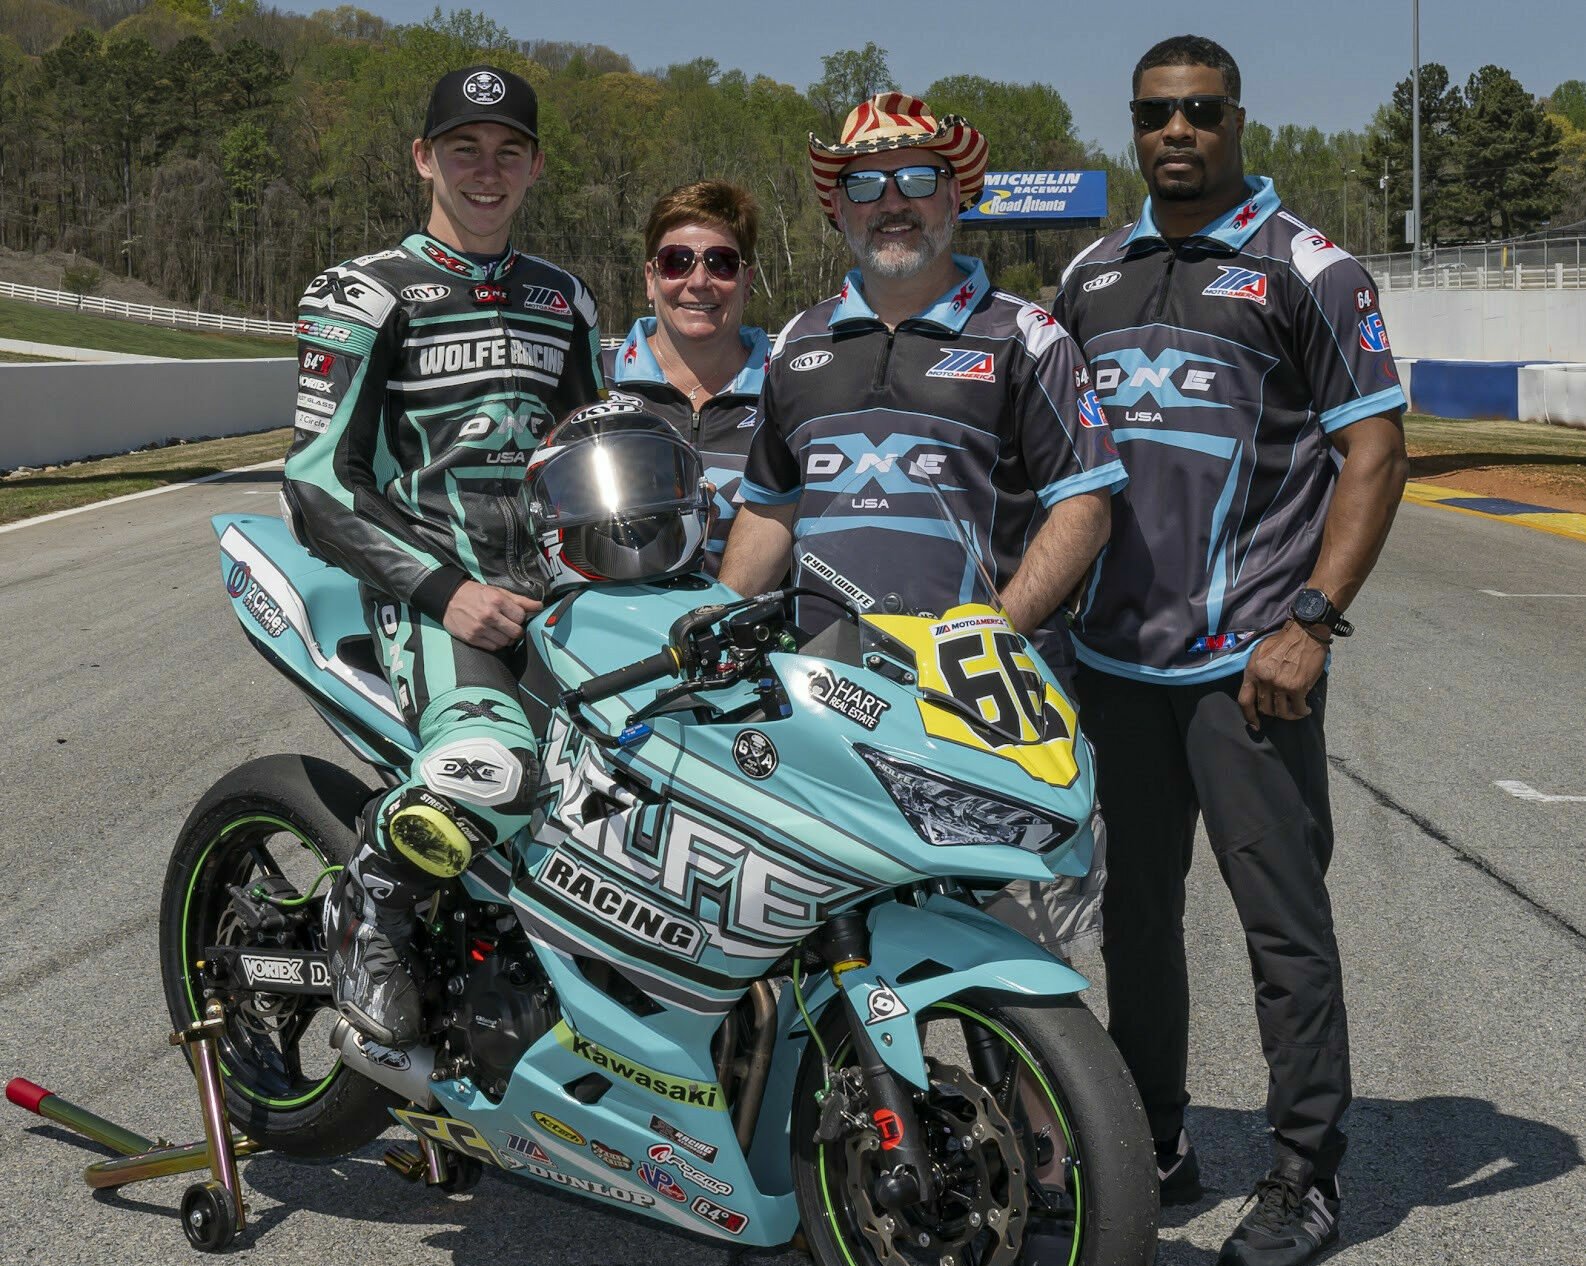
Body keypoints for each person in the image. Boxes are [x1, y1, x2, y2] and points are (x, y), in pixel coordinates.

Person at [1052, 35, 1409, 1266]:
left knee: (1280, 930)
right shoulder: (1089, 274)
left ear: (1236, 120)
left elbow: (1375, 450)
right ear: (1134, 126)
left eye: (1199, 110)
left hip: (1249, 664)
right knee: (1137, 923)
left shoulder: (1308, 267)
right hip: (1113, 668)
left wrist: (1308, 620)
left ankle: (1304, 1174)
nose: (1176, 131)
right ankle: (1150, 1141)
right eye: (1155, 113)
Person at [717, 93, 1126, 946]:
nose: (891, 202)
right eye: (865, 185)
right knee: (832, 971)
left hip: (988, 707)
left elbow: (1084, 507)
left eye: (915, 178)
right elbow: (772, 509)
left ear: (956, 192)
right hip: (828, 706)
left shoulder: (1028, 336)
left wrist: (991, 634)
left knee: (1014, 986)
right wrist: (714, 620)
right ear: (839, 208)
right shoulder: (798, 342)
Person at [281, 64, 603, 1048]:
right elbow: (314, 486)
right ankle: (363, 903)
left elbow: (590, 460)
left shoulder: (565, 299)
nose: (485, 169)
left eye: (507, 150)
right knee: (494, 774)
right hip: (426, 600)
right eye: (463, 147)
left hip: (555, 605)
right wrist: (449, 592)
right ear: (424, 157)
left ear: (535, 166)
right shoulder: (365, 292)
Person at [603, 181, 770, 573]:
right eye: (676, 261)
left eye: (721, 262)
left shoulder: (790, 391)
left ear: (746, 282)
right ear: (651, 278)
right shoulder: (592, 382)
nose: (698, 282)